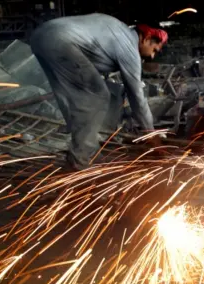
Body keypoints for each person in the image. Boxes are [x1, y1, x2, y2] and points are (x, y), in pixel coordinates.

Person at [30, 14, 168, 170]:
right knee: (98, 95)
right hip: (61, 40)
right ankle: (81, 160)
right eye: (154, 49)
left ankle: (86, 149)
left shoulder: (119, 30)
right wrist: (151, 133)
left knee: (69, 93)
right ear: (146, 37)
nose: (151, 55)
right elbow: (136, 95)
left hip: (40, 36)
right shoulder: (129, 47)